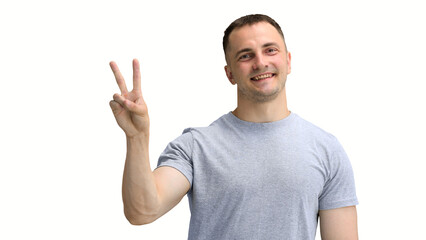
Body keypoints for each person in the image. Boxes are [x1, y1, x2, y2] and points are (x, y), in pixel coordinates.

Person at [109, 14, 359, 240]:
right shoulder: (196, 147)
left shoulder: (326, 149)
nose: (260, 63)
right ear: (230, 74)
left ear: (288, 61)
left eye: (270, 50)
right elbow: (141, 211)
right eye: (246, 55)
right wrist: (137, 137)